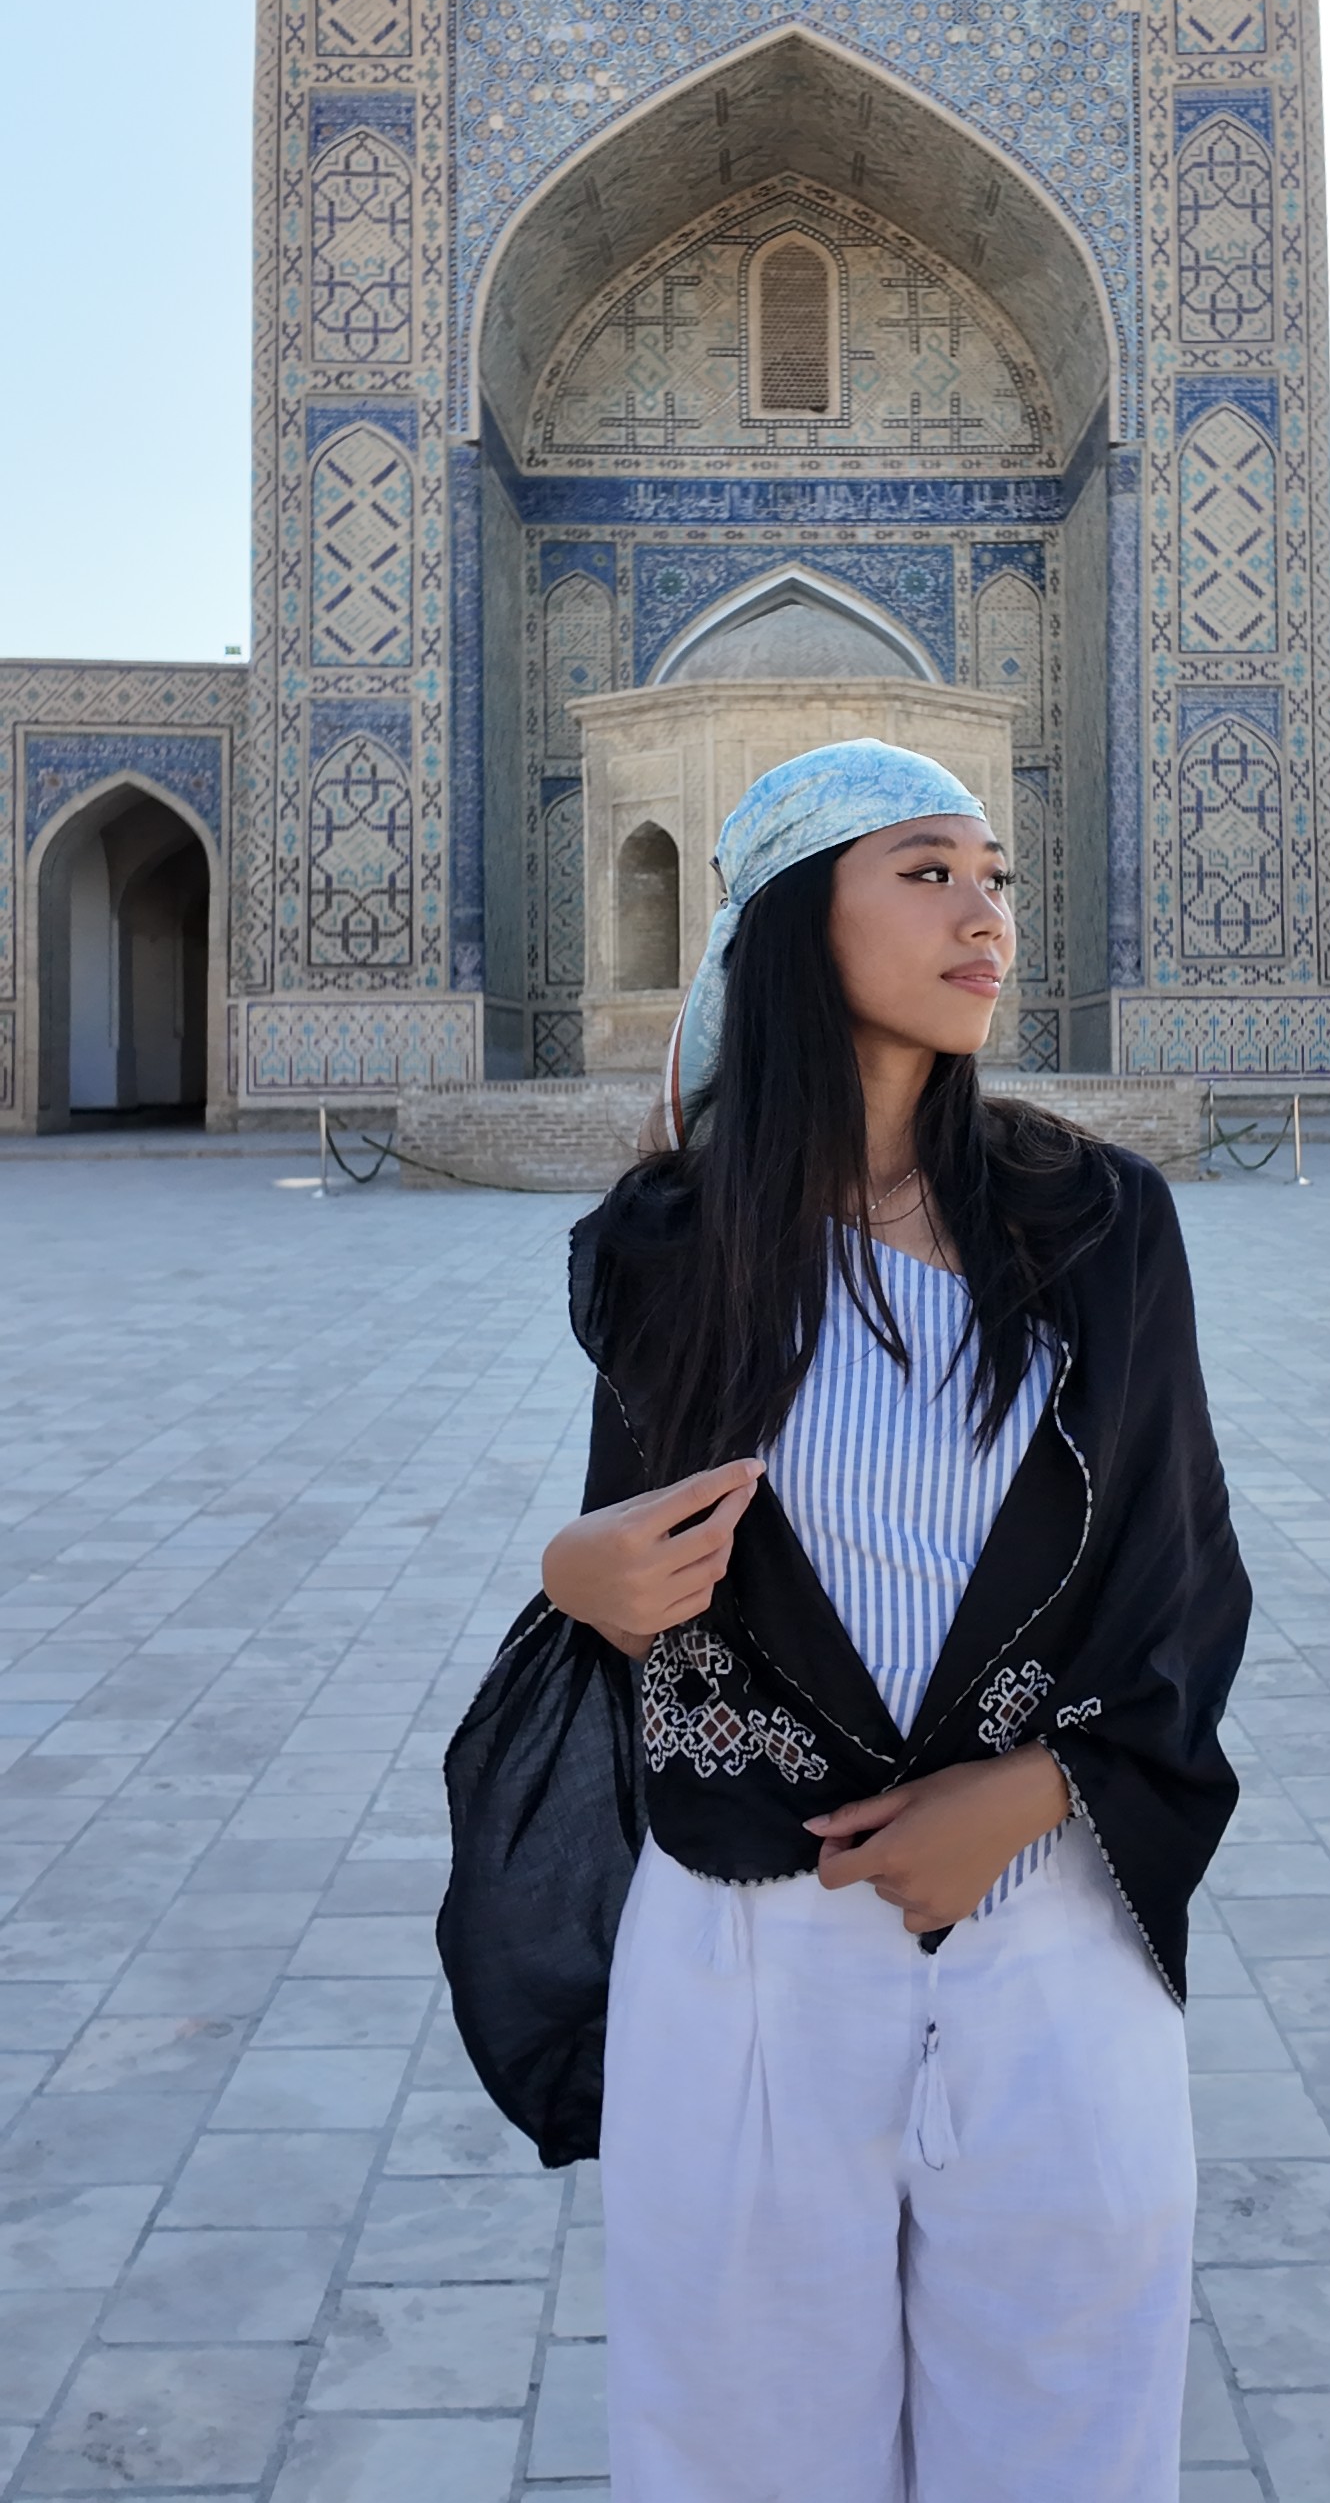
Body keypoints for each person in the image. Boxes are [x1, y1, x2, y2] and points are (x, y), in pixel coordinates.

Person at [452, 739, 1250, 2503]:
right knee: (747, 2448)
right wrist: (574, 1576)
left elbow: (1184, 1572)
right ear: (800, 918)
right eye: (926, 870)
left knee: (1064, 2436)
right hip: (749, 1945)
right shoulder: (673, 1240)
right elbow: (648, 1549)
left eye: (999, 877)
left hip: (1051, 1939)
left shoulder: (1098, 1219)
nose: (988, 914)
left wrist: (1033, 1790)